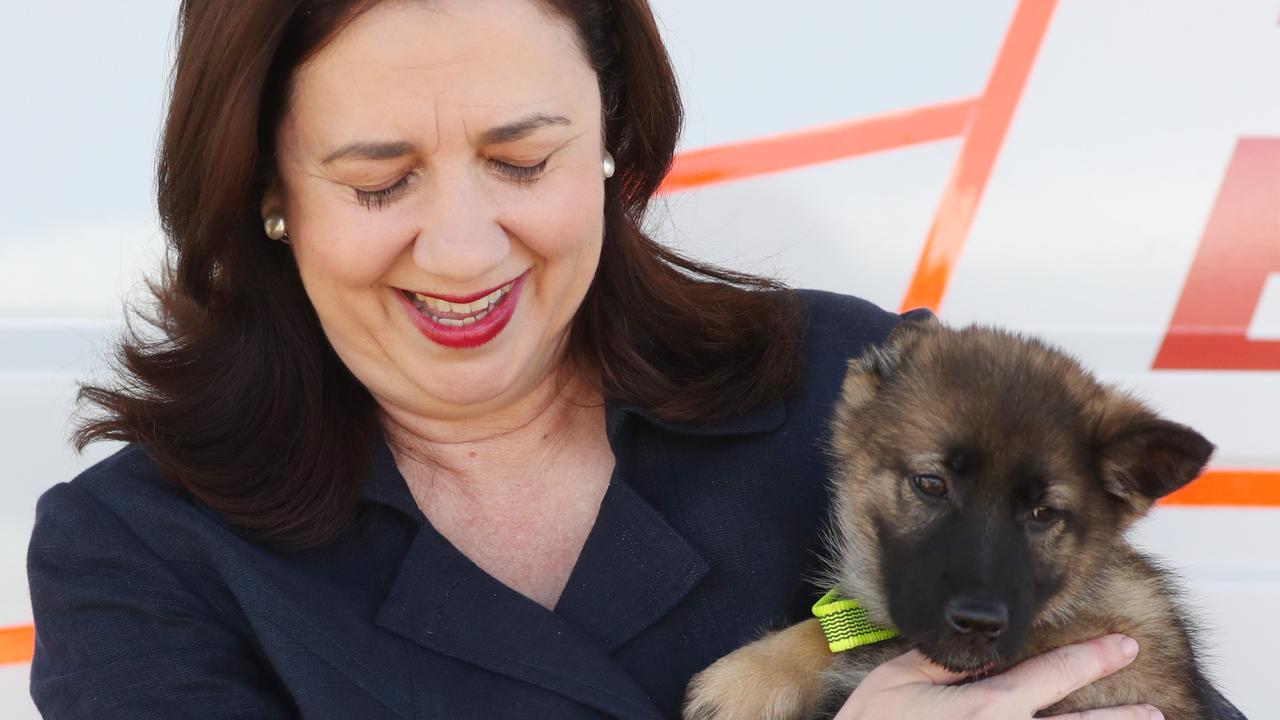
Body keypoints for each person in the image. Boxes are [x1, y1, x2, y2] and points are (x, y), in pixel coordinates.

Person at [25, 1, 1243, 719]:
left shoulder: (854, 384)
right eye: (378, 178)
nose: (460, 249)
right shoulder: (139, 554)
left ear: (612, 141)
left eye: (523, 161)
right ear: (266, 192)